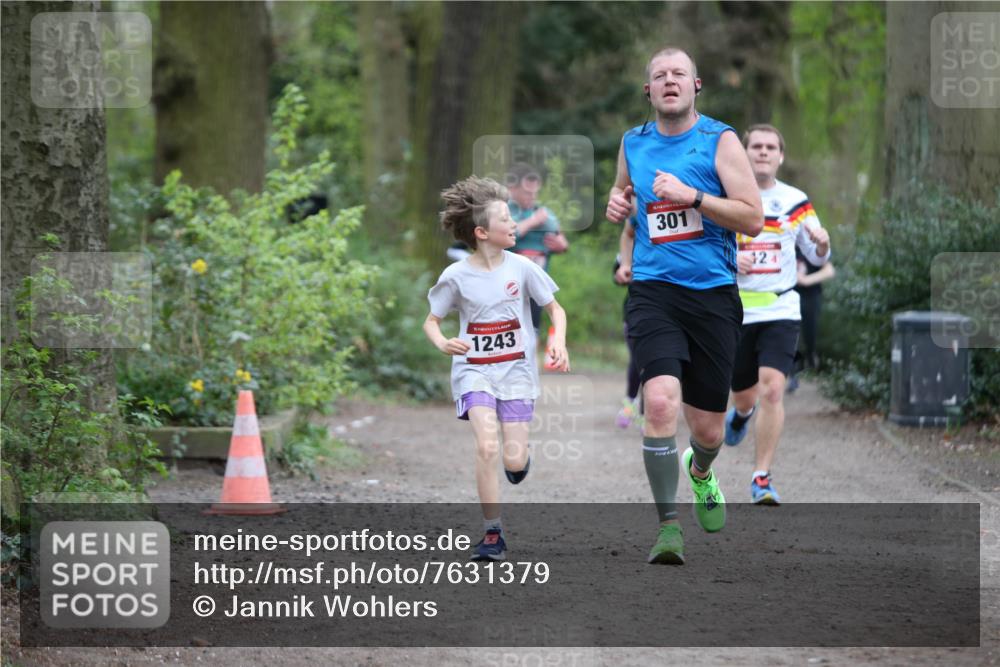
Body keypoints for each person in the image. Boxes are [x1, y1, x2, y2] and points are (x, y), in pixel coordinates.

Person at [606, 47, 763, 564]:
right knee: (658, 405)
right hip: (654, 292)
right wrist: (617, 204)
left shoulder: (719, 140)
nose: (669, 81)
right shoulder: (633, 142)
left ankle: (701, 471)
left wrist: (692, 196)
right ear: (647, 91)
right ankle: (668, 529)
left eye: (678, 74)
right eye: (659, 76)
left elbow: (751, 218)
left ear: (696, 85)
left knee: (708, 430)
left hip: (713, 294)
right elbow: (625, 200)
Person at [423, 175, 570, 561]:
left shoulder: (522, 268)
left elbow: (555, 308)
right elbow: (431, 321)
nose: (514, 225)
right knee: (487, 444)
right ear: (483, 232)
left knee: (513, 459)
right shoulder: (455, 276)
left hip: (516, 373)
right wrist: (442, 343)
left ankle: (520, 460)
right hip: (474, 371)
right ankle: (492, 533)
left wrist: (557, 339)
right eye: (506, 219)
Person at [723, 123, 831, 505]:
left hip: (782, 306)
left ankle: (761, 477)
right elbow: (702, 251)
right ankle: (739, 414)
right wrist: (736, 258)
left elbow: (818, 254)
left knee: (773, 388)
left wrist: (822, 244)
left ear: (781, 156)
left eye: (771, 147)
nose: (764, 152)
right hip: (735, 310)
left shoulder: (795, 200)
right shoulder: (726, 196)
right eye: (756, 146)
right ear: (745, 153)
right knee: (744, 396)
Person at [508, 162, 569, 334]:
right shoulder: (505, 211)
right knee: (511, 331)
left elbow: (561, 239)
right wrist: (533, 221)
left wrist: (562, 245)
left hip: (537, 284)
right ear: (512, 189)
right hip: (510, 285)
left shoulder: (546, 213)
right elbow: (507, 235)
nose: (532, 196)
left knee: (532, 332)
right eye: (527, 192)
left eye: (535, 192)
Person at [785, 249, 836, 393]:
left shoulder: (811, 245)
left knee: (809, 336)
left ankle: (811, 354)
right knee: (792, 338)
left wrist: (806, 280)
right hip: (788, 296)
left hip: (811, 297)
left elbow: (830, 270)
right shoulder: (783, 238)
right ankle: (793, 375)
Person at [613, 223, 641, 429]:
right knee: (637, 360)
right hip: (633, 312)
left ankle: (647, 414)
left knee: (654, 366)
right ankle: (630, 404)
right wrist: (623, 272)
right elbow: (618, 276)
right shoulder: (630, 245)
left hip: (666, 311)